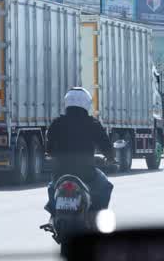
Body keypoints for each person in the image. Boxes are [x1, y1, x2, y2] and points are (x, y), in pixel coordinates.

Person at [44, 87, 115, 215]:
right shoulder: (92, 123)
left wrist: (51, 155)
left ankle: (53, 213)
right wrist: (110, 158)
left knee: (51, 186)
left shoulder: (57, 123)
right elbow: (105, 145)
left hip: (61, 172)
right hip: (86, 173)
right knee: (106, 186)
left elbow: (48, 148)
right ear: (86, 103)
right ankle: (98, 215)